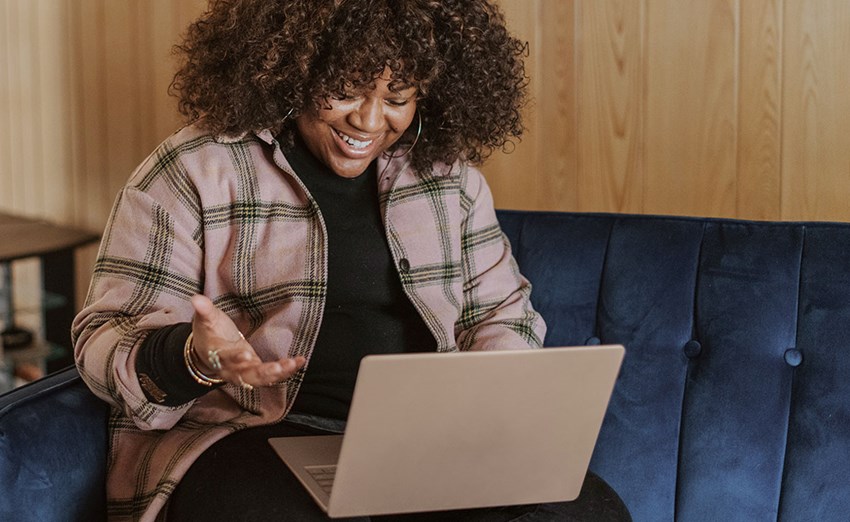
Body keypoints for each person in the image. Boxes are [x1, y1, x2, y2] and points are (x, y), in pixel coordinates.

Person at [72, 1, 631, 520]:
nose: (368, 122)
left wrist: (491, 398)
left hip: (419, 446)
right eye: (345, 89)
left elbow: (500, 313)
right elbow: (101, 339)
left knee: (589, 511)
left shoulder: (448, 178)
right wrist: (193, 358)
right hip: (244, 437)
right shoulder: (193, 171)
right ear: (293, 69)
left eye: (396, 97)